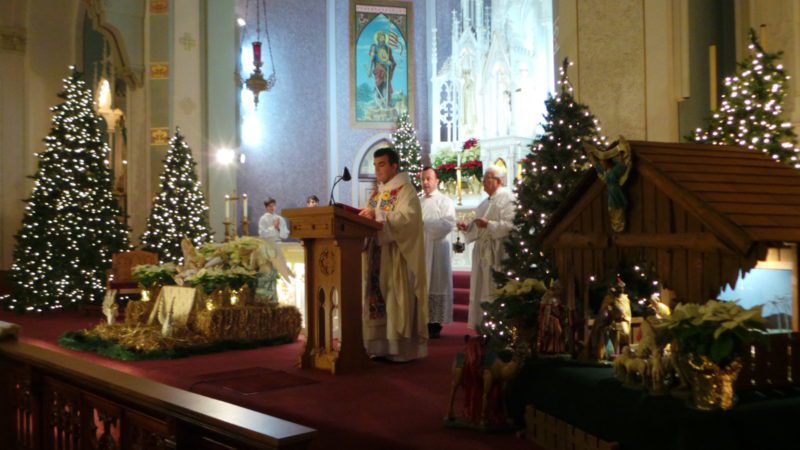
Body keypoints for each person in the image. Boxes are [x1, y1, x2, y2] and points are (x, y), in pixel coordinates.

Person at [358, 147, 428, 361]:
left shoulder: (406, 190)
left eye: (382, 164)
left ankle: (399, 350)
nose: (377, 169)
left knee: (394, 299)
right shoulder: (377, 193)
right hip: (376, 254)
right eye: (375, 165)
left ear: (394, 166)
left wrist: (377, 214)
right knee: (378, 299)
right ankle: (379, 347)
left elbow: (408, 219)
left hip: (396, 257)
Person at [457, 165, 516, 329]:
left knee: (493, 287)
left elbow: (510, 225)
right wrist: (468, 228)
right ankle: (483, 326)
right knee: (481, 288)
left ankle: (498, 326)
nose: (483, 181)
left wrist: (489, 225)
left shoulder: (508, 198)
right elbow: (479, 227)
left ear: (498, 180)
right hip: (483, 252)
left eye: (487, 178)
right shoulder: (484, 202)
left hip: (497, 250)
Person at [419, 167, 455, 338]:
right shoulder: (418, 201)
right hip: (420, 248)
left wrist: (425, 225)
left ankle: (434, 324)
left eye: (429, 178)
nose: (425, 182)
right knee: (423, 283)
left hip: (437, 249)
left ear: (437, 181)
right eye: (423, 179)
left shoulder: (444, 201)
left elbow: (448, 223)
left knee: (435, 282)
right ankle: (422, 321)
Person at [369, 31, 396, 107]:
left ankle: (386, 101)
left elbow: (392, 61)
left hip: (386, 69)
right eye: (381, 38)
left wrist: (391, 63)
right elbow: (372, 59)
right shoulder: (375, 47)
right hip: (378, 69)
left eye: (384, 38)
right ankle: (378, 102)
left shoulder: (388, 49)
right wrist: (370, 69)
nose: (383, 39)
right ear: (378, 39)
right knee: (378, 84)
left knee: (385, 85)